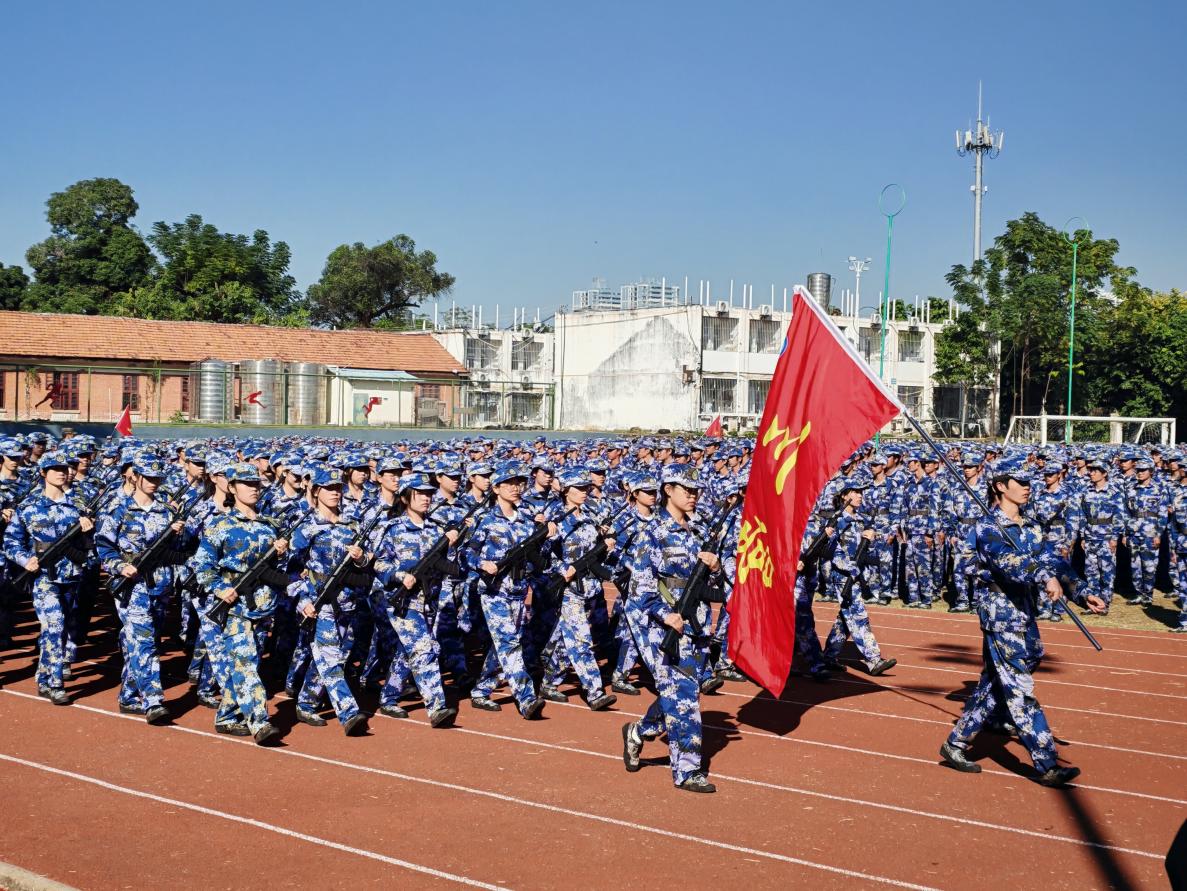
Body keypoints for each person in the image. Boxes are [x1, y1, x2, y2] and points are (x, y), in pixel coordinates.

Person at [941, 460, 1107, 786]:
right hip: (1001, 614)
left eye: (1030, 481)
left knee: (1009, 673)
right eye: (1020, 481)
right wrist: (1043, 576)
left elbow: (1052, 560)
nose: (1028, 487)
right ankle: (1047, 763)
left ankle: (957, 741)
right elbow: (1009, 563)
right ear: (1000, 486)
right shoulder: (989, 527)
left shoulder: (1029, 525)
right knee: (1018, 688)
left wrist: (1081, 591)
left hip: (1024, 610)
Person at [621, 464, 721, 793]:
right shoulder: (652, 533)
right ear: (668, 490)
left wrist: (716, 568)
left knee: (678, 694)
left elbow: (714, 585)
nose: (693, 495)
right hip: (662, 628)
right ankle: (688, 770)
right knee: (685, 698)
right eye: (685, 489)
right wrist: (665, 615)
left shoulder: (699, 530)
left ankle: (637, 732)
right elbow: (640, 590)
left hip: (697, 624)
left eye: (696, 490)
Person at [194, 462, 289, 744]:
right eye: (247, 484)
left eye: (256, 484)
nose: (253, 489)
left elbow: (279, 570)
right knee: (246, 663)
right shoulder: (220, 525)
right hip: (234, 608)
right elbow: (203, 565)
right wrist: (219, 588)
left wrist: (281, 553)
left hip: (263, 607)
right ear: (233, 488)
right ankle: (260, 722)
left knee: (247, 665)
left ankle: (226, 716)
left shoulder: (270, 526)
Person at [2, 453, 95, 705]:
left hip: (71, 575)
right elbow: (10, 542)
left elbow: (89, 547)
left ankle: (43, 677)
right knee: (55, 625)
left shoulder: (77, 506)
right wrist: (25, 560)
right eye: (54, 469)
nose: (61, 472)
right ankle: (55, 682)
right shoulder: (29, 507)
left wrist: (87, 532)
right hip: (43, 577)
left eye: (64, 468)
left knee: (58, 629)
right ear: (43, 473)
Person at [463, 461, 549, 719]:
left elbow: (539, 557)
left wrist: (546, 535)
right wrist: (482, 564)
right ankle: (527, 698)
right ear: (496, 488)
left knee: (505, 644)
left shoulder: (526, 521)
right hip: (494, 592)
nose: (515, 488)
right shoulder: (485, 520)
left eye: (518, 483)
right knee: (509, 644)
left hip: (519, 591)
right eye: (508, 483)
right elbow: (466, 553)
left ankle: (481, 689)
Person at [373, 472, 459, 726]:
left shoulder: (437, 530)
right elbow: (378, 563)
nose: (425, 498)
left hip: (428, 600)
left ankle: (388, 697)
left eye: (428, 494)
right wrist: (399, 575)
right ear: (405, 497)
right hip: (403, 602)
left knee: (407, 652)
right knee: (424, 649)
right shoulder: (393, 529)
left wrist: (451, 546)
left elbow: (451, 566)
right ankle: (437, 707)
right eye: (419, 493)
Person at [289, 468, 371, 735]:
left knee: (330, 658)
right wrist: (302, 600)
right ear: (316, 492)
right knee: (331, 658)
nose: (335, 493)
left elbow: (367, 564)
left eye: (338, 488)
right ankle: (349, 713)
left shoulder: (352, 525)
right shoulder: (307, 527)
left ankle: (306, 703)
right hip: (318, 603)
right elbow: (291, 569)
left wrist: (361, 558)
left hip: (347, 602)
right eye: (329, 488)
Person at [538, 467, 618, 710]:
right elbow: (544, 556)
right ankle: (595, 691)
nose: (584, 492)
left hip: (590, 587)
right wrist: (563, 568)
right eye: (579, 488)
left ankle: (549, 681)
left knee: (567, 640)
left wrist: (607, 546)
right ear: (566, 491)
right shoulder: (558, 520)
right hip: (569, 589)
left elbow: (595, 554)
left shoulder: (591, 517)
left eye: (586, 488)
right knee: (582, 640)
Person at [821, 481, 897, 676]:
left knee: (845, 618)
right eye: (855, 492)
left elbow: (868, 551)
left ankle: (828, 657)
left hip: (857, 576)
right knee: (858, 615)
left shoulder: (861, 520)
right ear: (844, 495)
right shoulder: (837, 521)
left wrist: (872, 538)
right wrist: (849, 567)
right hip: (843, 576)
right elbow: (830, 550)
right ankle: (873, 659)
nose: (860, 495)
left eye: (861, 492)